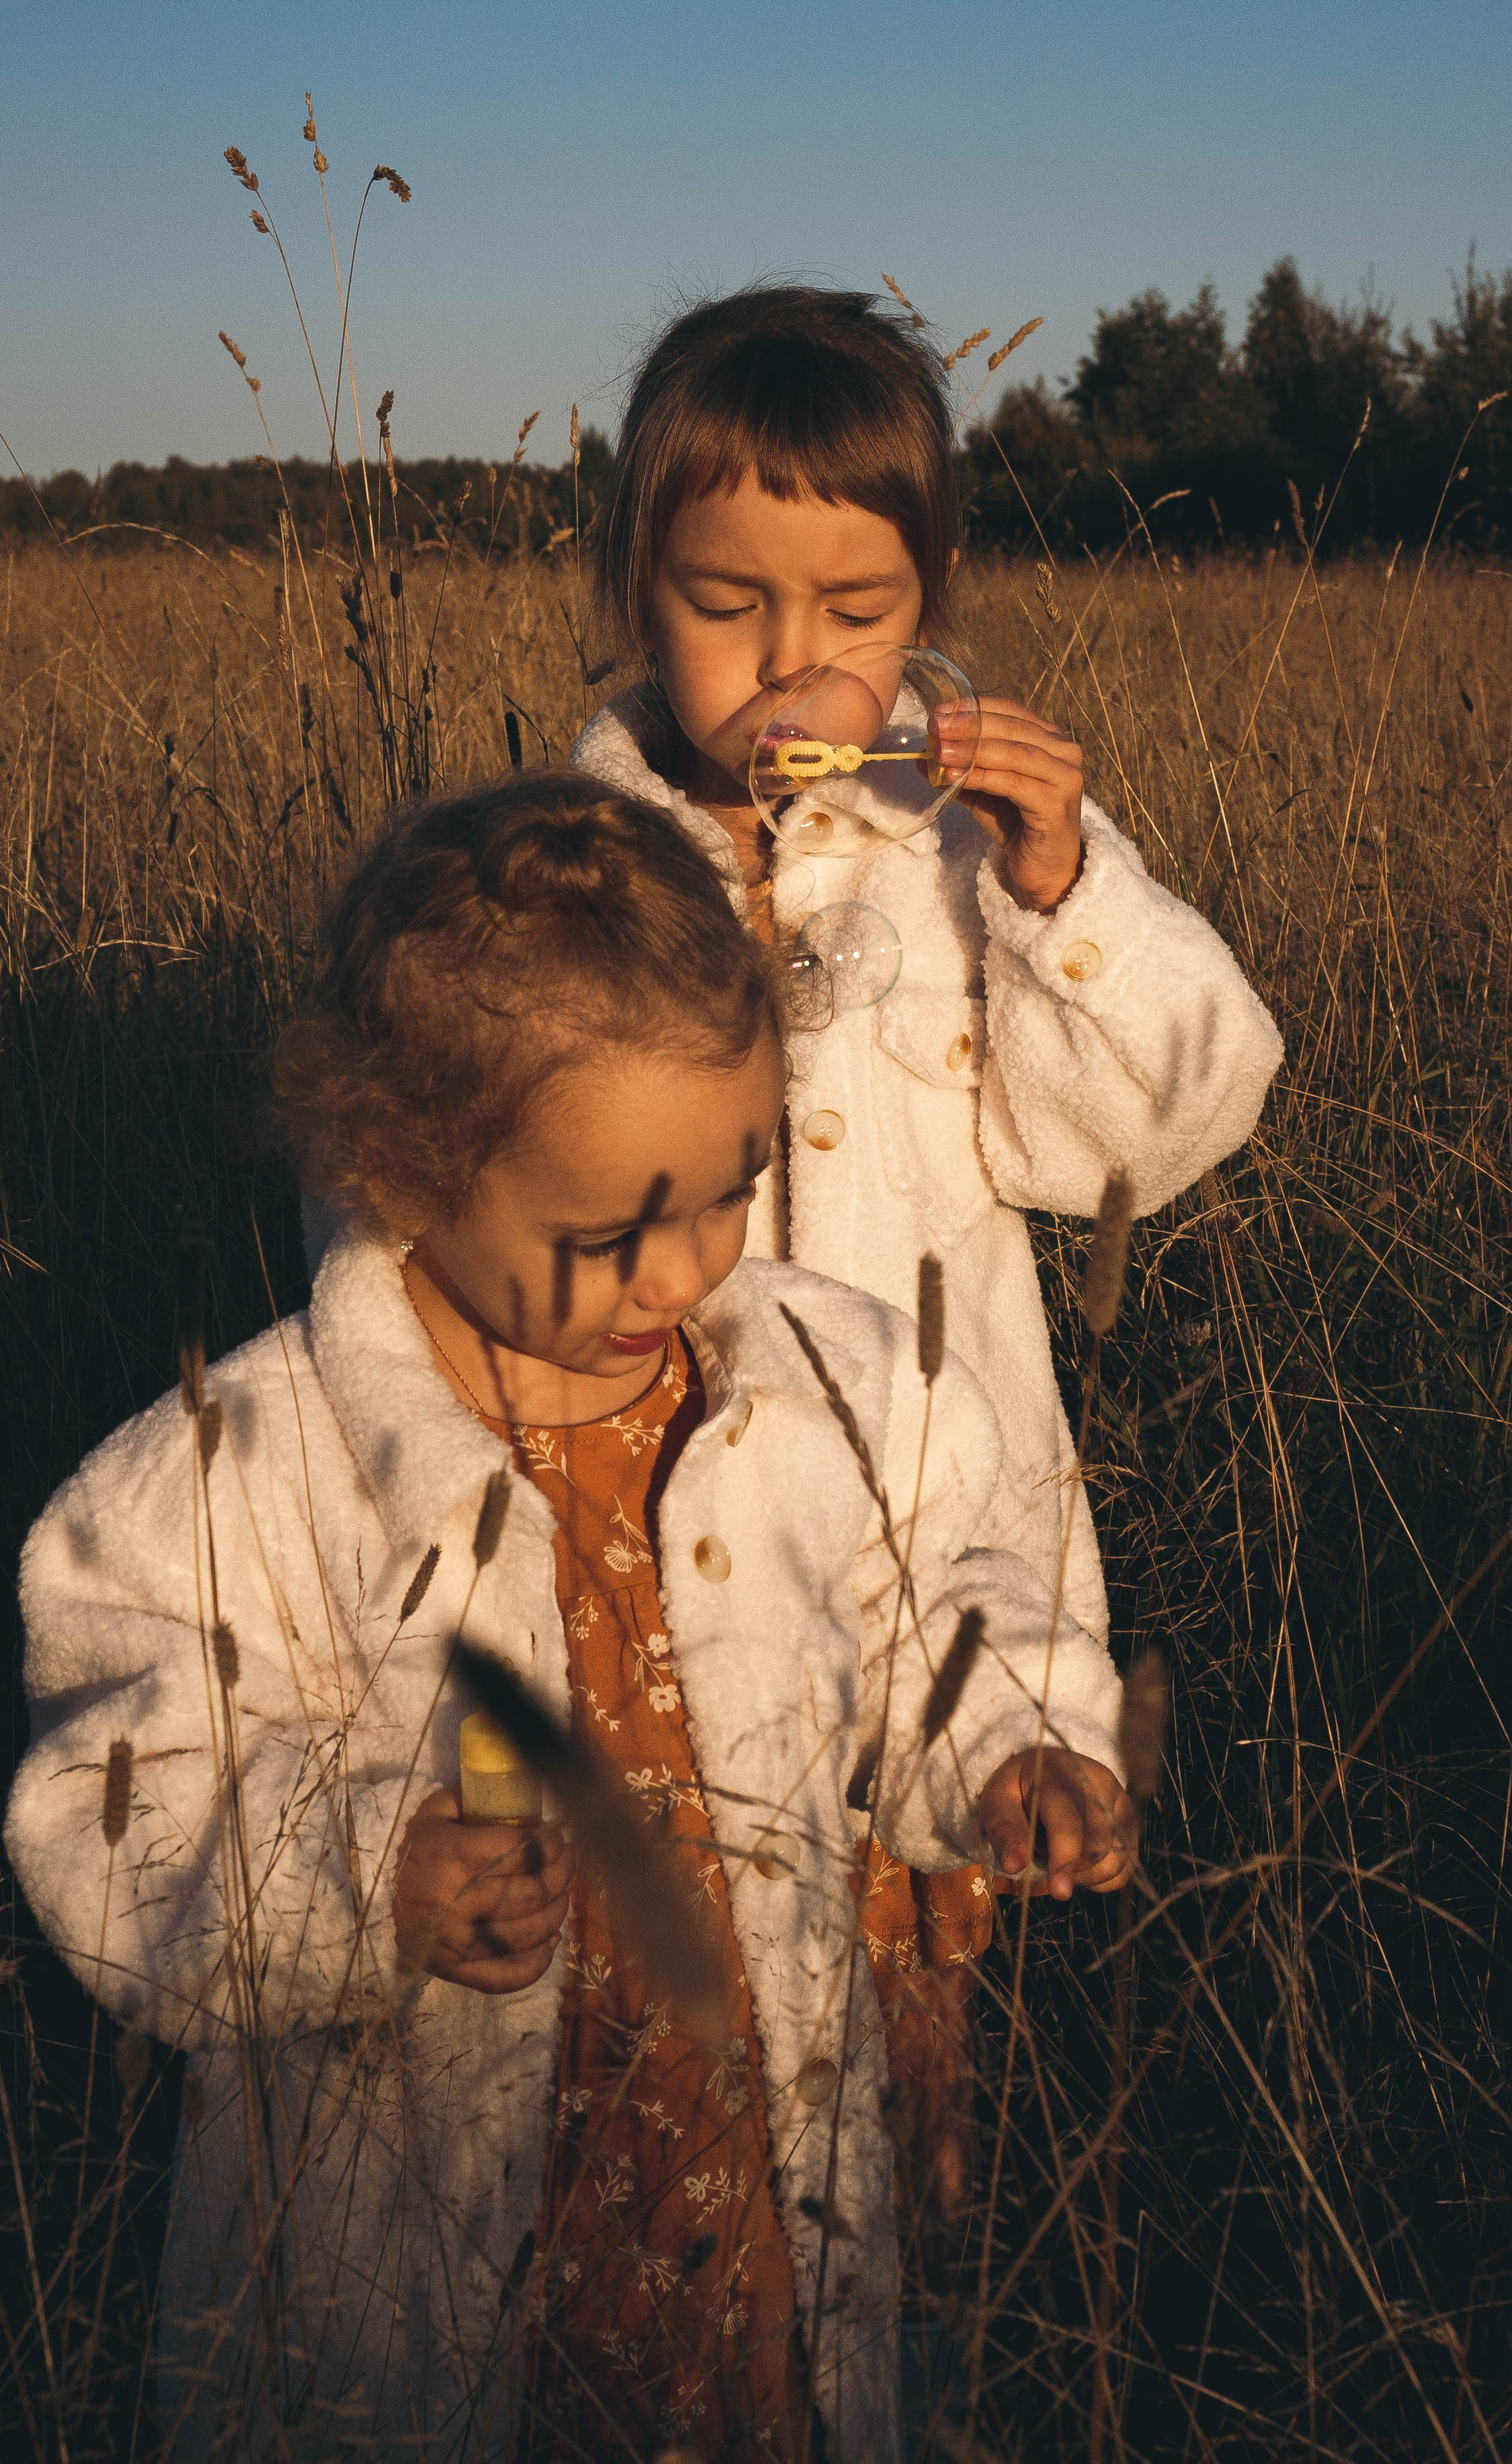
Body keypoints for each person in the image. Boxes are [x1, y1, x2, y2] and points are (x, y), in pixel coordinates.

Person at [6, 769, 1131, 2464]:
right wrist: (357, 1871)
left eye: (731, 1185)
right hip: (419, 2237)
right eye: (611, 1232)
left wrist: (1010, 1745)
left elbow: (938, 1598)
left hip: (746, 2166)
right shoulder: (245, 1471)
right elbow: (115, 1810)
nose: (685, 1274)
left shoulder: (828, 1378)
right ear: (400, 1173)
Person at [568, 283, 1283, 1650]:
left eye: (852, 610)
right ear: (638, 594)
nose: (789, 660)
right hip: (663, 1549)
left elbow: (1160, 1126)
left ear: (926, 599)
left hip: (954, 1573)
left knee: (943, 1849)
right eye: (726, 603)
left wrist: (1060, 893)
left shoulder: (978, 851)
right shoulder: (556, 875)